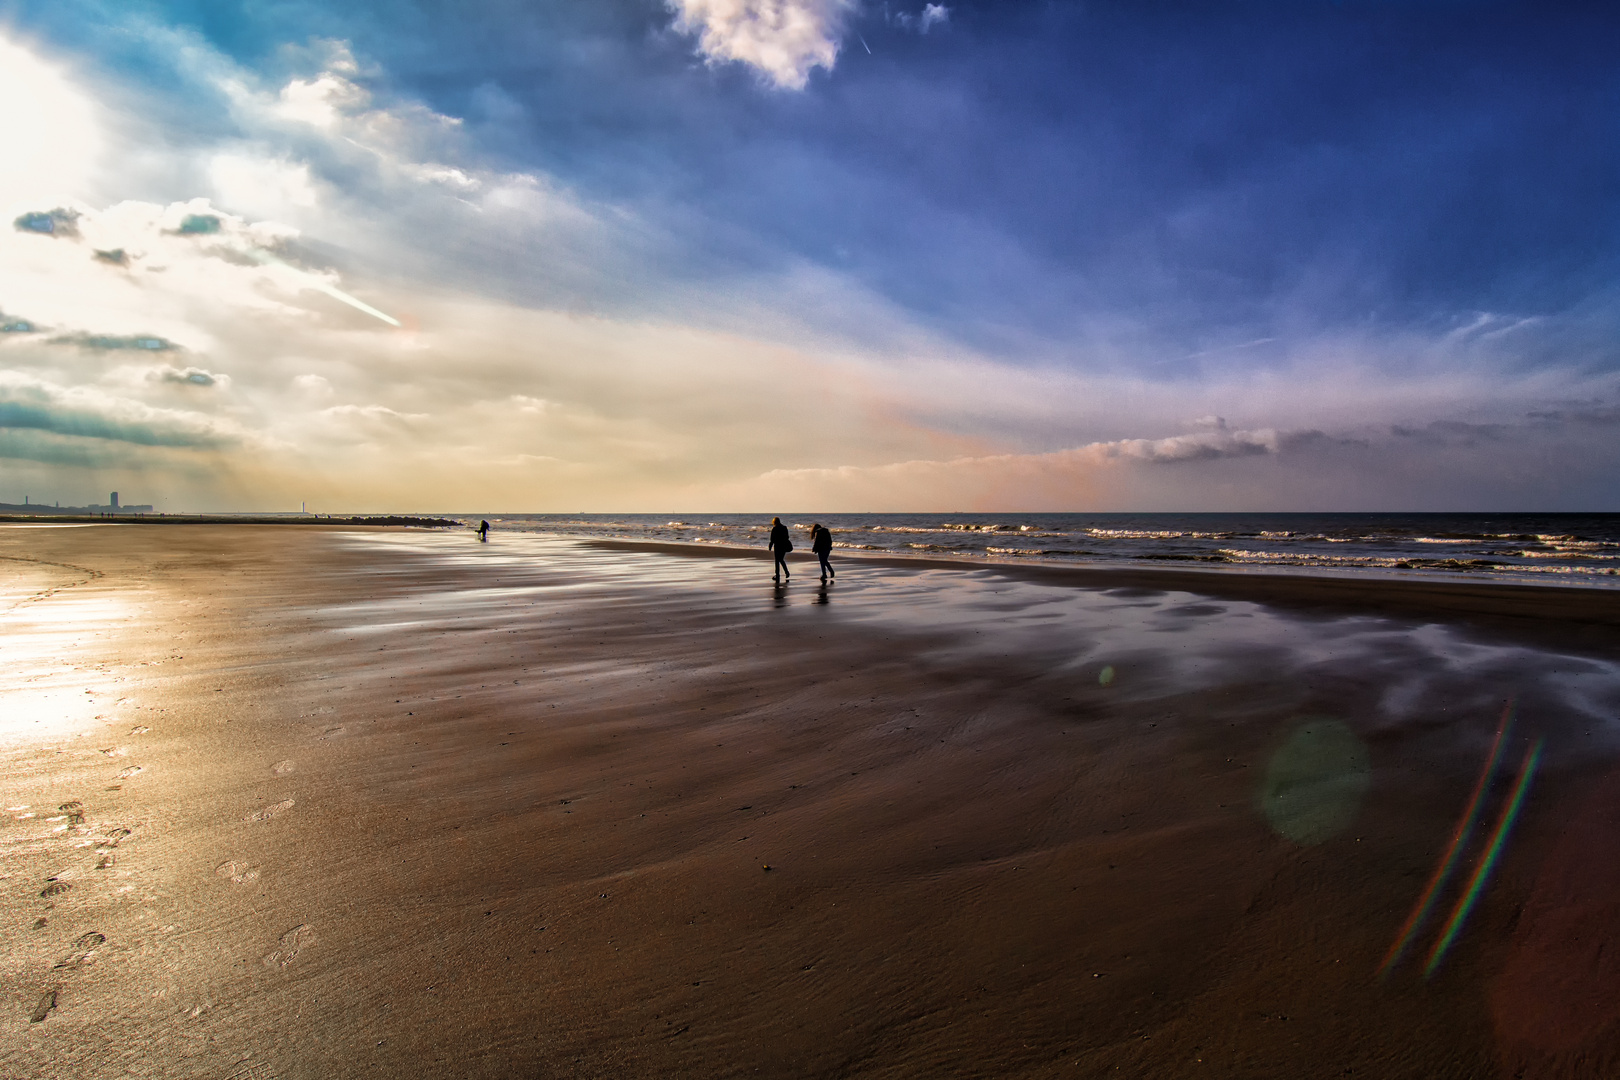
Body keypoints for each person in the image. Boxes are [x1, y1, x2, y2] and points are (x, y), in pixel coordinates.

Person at [767, 516, 792, 582]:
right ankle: (786, 572)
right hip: (783, 546)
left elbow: (772, 539)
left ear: (774, 522)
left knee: (777, 560)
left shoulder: (774, 528)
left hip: (777, 546)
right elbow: (787, 537)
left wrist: (770, 546)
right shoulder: (784, 528)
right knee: (781, 559)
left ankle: (778, 575)